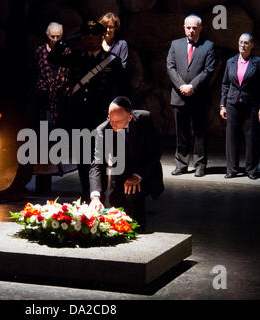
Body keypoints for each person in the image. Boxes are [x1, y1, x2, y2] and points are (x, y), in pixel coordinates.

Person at [48, 20, 128, 201]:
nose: (90, 39)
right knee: (83, 159)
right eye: (87, 35)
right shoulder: (77, 58)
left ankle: (102, 195)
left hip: (102, 117)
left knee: (103, 158)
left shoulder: (112, 61)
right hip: (79, 117)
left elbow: (122, 90)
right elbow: (52, 58)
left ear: (101, 38)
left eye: (94, 35)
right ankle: (87, 193)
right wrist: (66, 40)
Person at [89, 96, 164, 232]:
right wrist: (95, 196)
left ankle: (140, 228)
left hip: (142, 169)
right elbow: (97, 163)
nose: (112, 125)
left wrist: (137, 176)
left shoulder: (144, 119)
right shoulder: (103, 130)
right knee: (111, 216)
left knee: (136, 205)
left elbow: (155, 153)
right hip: (118, 172)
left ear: (129, 118)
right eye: (110, 119)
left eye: (117, 122)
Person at [167, 14, 215, 177]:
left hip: (199, 96)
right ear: (184, 28)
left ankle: (200, 164)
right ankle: (181, 164)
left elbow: (208, 70)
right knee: (181, 132)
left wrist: (192, 86)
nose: (191, 30)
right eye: (188, 27)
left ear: (201, 28)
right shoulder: (175, 44)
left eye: (195, 27)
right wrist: (182, 86)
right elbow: (170, 67)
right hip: (179, 95)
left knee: (200, 131)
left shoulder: (208, 46)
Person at [220, 33, 260, 180]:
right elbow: (225, 84)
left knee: (251, 138)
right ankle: (232, 169)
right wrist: (222, 104)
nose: (242, 45)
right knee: (231, 137)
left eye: (246, 43)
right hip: (232, 103)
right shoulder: (231, 62)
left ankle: (251, 170)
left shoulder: (257, 62)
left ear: (252, 45)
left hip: (251, 105)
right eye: (240, 42)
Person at [31, 22, 70, 128]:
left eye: (58, 36)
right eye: (53, 36)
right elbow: (34, 73)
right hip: (43, 99)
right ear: (48, 36)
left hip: (61, 99)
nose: (55, 39)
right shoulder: (40, 52)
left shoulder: (66, 53)